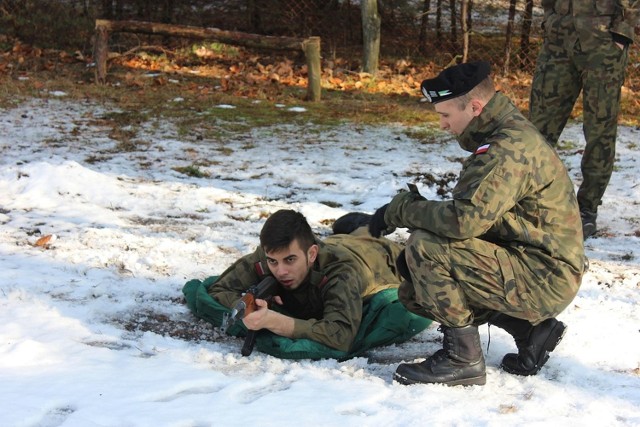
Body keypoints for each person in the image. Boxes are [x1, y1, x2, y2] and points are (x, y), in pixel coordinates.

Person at [367, 61, 586, 386]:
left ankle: (462, 359)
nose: (442, 124)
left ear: (474, 106)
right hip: (540, 264)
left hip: (545, 276)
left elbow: (462, 221)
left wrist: (399, 211)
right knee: (417, 288)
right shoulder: (505, 133)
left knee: (426, 249)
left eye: (445, 115)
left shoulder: (506, 150)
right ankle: (531, 331)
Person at [183, 209, 430, 359]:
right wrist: (251, 304)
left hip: (375, 256)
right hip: (338, 243)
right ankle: (354, 227)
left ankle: (364, 225)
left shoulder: (341, 273)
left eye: (290, 260)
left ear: (311, 254)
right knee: (346, 235)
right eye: (273, 261)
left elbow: (341, 335)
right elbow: (218, 289)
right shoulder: (266, 258)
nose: (281, 271)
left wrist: (277, 321)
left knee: (383, 244)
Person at [528, 0, 639, 239]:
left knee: (600, 130)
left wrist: (622, 32)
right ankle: (529, 199)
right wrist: (550, 19)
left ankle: (586, 208)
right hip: (558, 40)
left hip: (603, 41)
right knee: (537, 128)